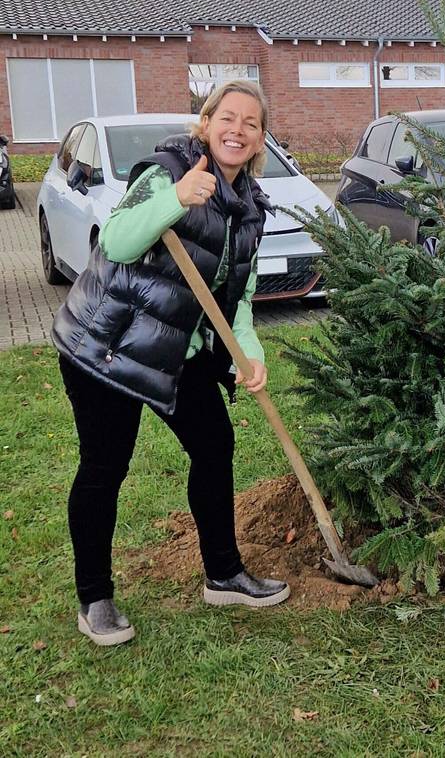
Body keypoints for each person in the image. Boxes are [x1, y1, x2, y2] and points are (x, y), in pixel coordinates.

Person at [54, 80, 290, 647]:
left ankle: (224, 573)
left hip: (176, 352)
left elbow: (239, 298)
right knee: (105, 466)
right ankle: (95, 598)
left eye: (250, 123)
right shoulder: (165, 171)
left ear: (260, 139)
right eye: (226, 118)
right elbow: (117, 239)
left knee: (213, 445)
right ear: (205, 123)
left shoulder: (249, 208)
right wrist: (175, 198)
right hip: (107, 347)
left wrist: (248, 354)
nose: (237, 130)